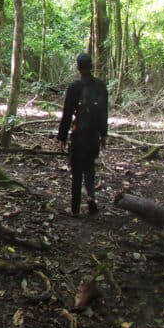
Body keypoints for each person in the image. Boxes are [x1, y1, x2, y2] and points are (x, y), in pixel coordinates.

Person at [57, 52, 108, 217]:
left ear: (78, 67)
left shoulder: (74, 87)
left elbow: (67, 114)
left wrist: (62, 137)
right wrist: (104, 135)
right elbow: (103, 113)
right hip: (93, 134)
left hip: (79, 134)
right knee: (90, 167)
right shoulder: (100, 86)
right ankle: (91, 196)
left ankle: (75, 209)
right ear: (91, 66)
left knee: (77, 170)